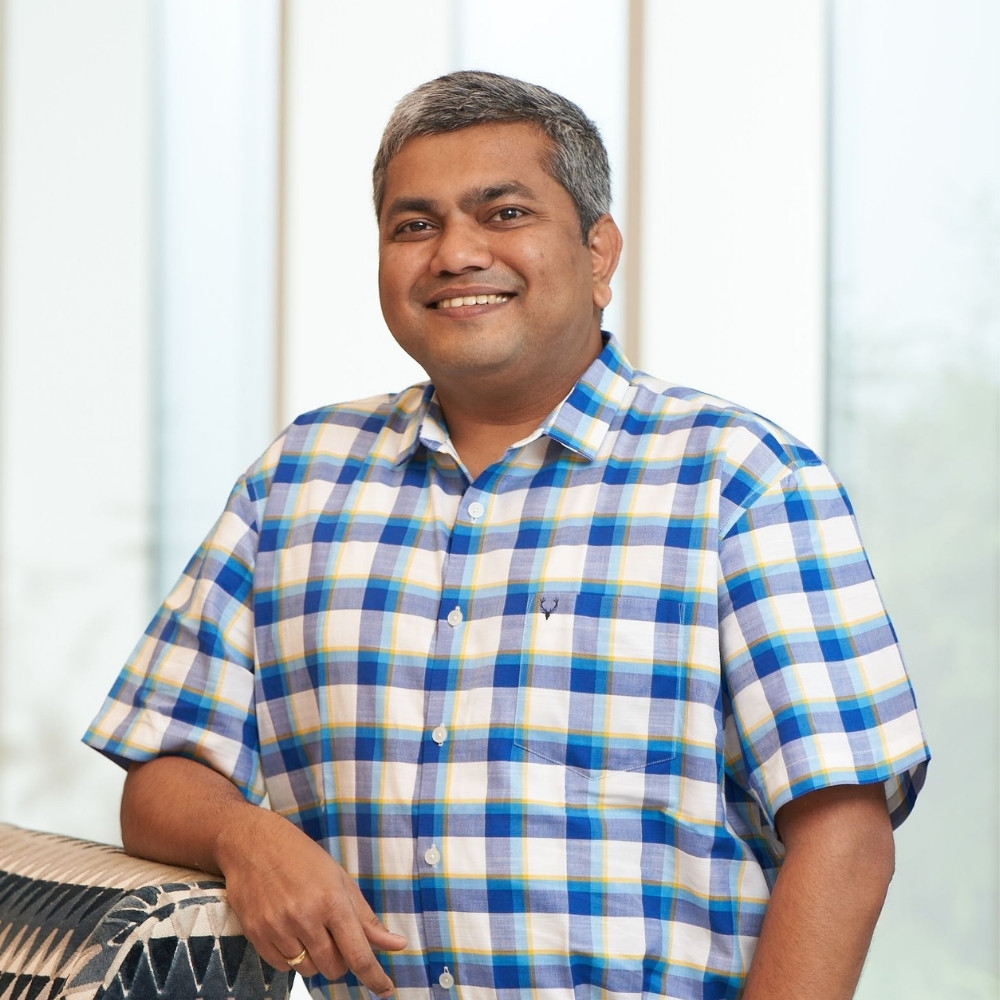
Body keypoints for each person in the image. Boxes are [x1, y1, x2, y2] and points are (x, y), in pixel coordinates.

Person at [85, 70, 929, 1000]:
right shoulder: (298, 477)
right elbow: (160, 770)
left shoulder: (743, 479)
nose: (455, 253)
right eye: (415, 225)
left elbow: (845, 836)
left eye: (504, 212)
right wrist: (248, 836)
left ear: (600, 254)